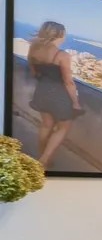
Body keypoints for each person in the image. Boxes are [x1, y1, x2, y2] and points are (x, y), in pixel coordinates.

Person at [27, 21, 83, 169]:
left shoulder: (34, 49)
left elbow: (33, 72)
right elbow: (68, 82)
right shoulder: (62, 55)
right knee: (63, 127)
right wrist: (75, 102)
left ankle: (40, 157)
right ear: (59, 35)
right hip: (59, 95)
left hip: (41, 91)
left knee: (46, 125)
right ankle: (44, 160)